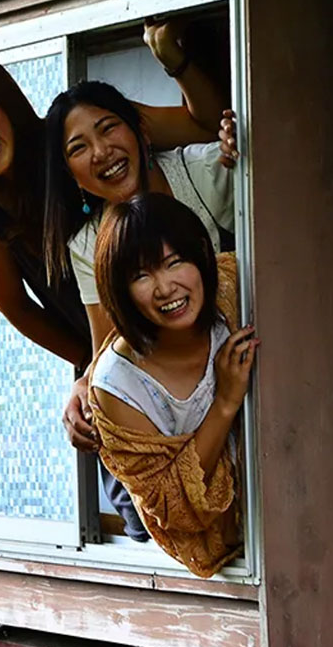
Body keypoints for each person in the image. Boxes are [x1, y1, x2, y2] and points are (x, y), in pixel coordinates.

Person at [0, 22, 226, 368]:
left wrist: (172, 59)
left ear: (4, 100)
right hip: (119, 362)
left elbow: (208, 124)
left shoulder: (80, 129)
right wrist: (92, 366)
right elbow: (21, 310)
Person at [44, 80, 240, 445]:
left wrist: (241, 140)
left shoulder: (201, 171)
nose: (101, 152)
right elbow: (108, 342)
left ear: (140, 131)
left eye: (108, 128)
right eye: (79, 148)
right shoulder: (88, 244)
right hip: (186, 409)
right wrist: (85, 383)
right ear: (71, 174)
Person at [86, 193, 256, 577]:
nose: (165, 288)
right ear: (119, 291)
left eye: (174, 262)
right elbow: (170, 505)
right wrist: (225, 402)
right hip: (234, 563)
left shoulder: (231, 291)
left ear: (200, 257)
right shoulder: (118, 386)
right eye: (141, 276)